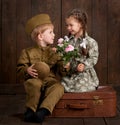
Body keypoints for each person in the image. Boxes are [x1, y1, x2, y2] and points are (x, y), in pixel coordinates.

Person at [16, 14, 65, 123]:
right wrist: (27, 70)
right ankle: (30, 111)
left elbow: (62, 72)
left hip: (50, 81)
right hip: (35, 79)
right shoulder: (27, 52)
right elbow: (19, 71)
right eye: (50, 32)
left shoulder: (55, 52)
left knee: (59, 88)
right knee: (34, 84)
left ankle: (43, 111)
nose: (54, 35)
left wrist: (65, 65)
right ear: (40, 36)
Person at [61, 8, 99, 92]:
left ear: (81, 24)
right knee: (61, 86)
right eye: (67, 25)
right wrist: (65, 62)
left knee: (80, 88)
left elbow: (93, 58)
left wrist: (84, 65)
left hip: (83, 74)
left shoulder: (90, 42)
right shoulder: (67, 41)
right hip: (70, 73)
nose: (68, 28)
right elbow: (64, 55)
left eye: (71, 25)